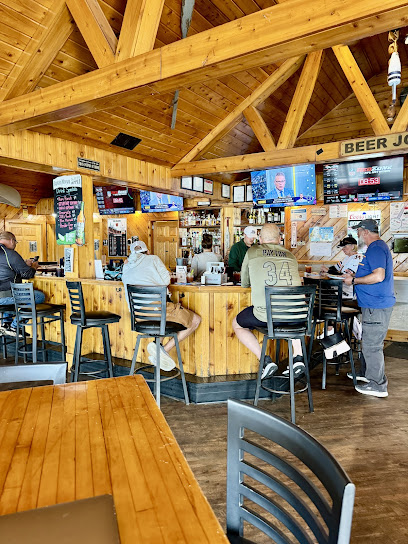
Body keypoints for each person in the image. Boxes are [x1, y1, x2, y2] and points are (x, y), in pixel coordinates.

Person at [232, 223, 305, 379]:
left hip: (269, 316)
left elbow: (244, 283)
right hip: (297, 316)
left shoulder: (252, 252)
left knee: (237, 324)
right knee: (289, 315)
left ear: (260, 238)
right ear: (279, 239)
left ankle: (265, 361)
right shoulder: (290, 255)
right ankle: (298, 358)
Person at [122, 240, 201, 371]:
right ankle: (164, 350)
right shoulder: (153, 259)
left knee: (167, 317)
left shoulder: (126, 266)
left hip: (138, 317)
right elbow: (166, 281)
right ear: (147, 251)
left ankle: (157, 346)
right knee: (195, 320)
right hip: (157, 311)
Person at [342, 219, 395, 398]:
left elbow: (378, 276)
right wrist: (355, 275)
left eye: (358, 231)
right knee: (369, 342)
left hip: (376, 305)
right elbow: (373, 273)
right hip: (373, 305)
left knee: (372, 345)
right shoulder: (375, 248)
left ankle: (378, 384)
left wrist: (354, 280)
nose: (357, 235)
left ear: (365, 231)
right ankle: (367, 374)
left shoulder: (376, 248)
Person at [0, 231, 45, 337]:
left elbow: (7, 268)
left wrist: (23, 263)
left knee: (13, 295)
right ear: (12, 241)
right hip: (5, 295)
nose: (15, 245)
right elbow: (27, 274)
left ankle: (6, 324)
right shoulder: (10, 254)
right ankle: (15, 326)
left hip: (3, 295)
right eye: (15, 242)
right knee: (39, 296)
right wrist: (33, 266)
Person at [318, 235, 362, 338]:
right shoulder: (347, 258)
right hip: (340, 289)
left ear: (352, 246)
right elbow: (335, 268)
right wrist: (327, 269)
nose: (343, 249)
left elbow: (344, 275)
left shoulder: (357, 258)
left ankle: (330, 327)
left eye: (345, 247)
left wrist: (329, 271)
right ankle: (329, 326)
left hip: (349, 293)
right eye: (342, 247)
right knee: (326, 294)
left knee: (328, 297)